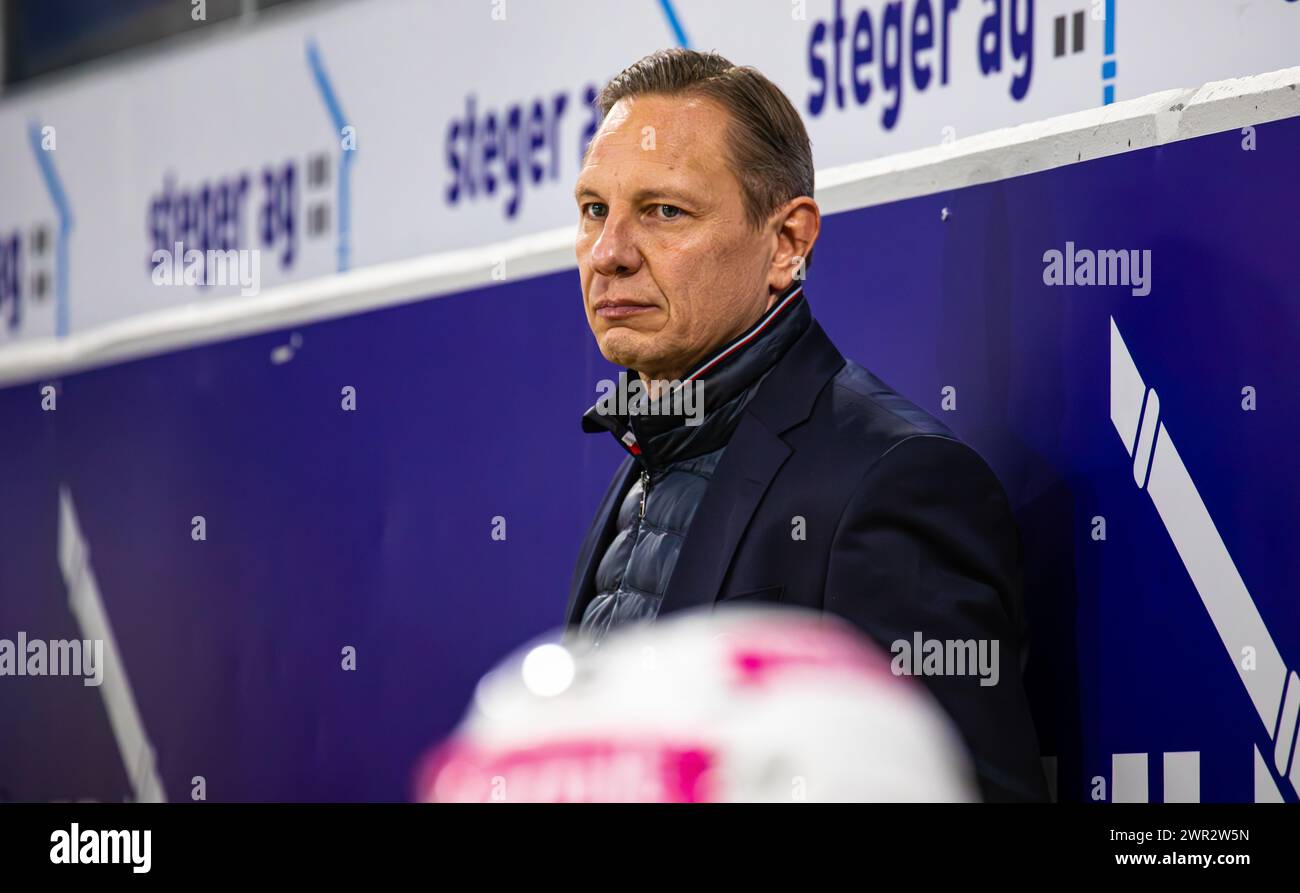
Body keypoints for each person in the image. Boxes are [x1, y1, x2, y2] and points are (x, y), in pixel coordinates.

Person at [563, 48, 1047, 802]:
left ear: (787, 242)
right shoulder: (646, 453)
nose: (610, 253)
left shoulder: (893, 480)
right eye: (595, 209)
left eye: (664, 211)